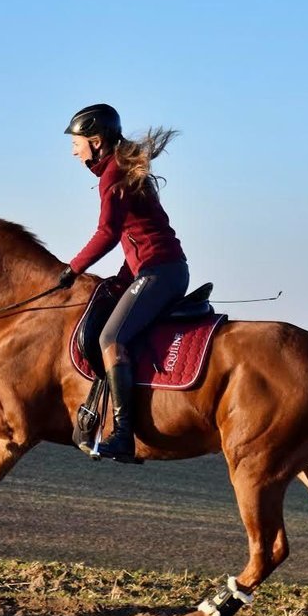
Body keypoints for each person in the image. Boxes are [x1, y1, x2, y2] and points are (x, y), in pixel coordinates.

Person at [57, 103, 189, 463]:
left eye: (77, 143)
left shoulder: (112, 175)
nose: (73, 151)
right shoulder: (120, 169)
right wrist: (119, 279)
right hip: (157, 270)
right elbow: (137, 237)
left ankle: (123, 434)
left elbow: (108, 234)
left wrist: (72, 269)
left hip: (158, 273)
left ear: (96, 142)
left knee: (110, 338)